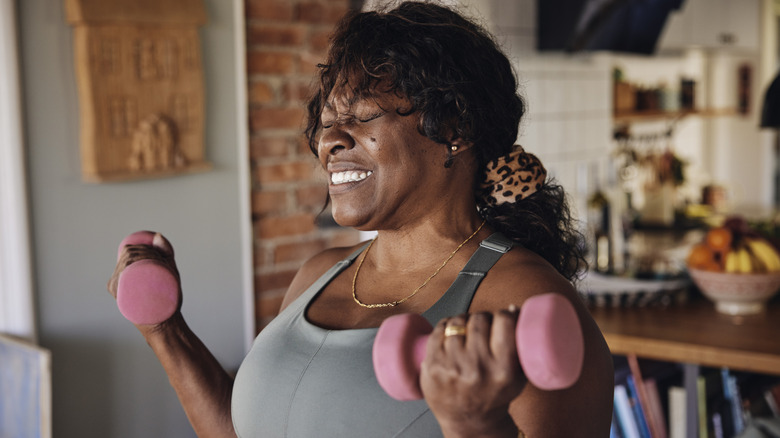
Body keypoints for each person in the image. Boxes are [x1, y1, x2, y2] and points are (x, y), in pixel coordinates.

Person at [109, 2, 615, 437]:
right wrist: (164, 330)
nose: (330, 140)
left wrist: (476, 425)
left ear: (455, 126)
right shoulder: (318, 275)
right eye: (328, 122)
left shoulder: (527, 303)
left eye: (362, 117)